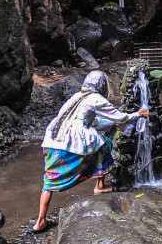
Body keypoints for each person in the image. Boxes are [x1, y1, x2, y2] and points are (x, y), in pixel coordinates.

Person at [33, 70, 148, 233]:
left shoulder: (76, 97)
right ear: (101, 85)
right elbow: (120, 118)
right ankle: (99, 186)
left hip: (51, 139)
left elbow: (88, 120)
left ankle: (40, 222)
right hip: (69, 141)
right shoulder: (96, 99)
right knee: (105, 144)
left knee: (49, 180)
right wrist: (138, 114)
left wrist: (109, 124)